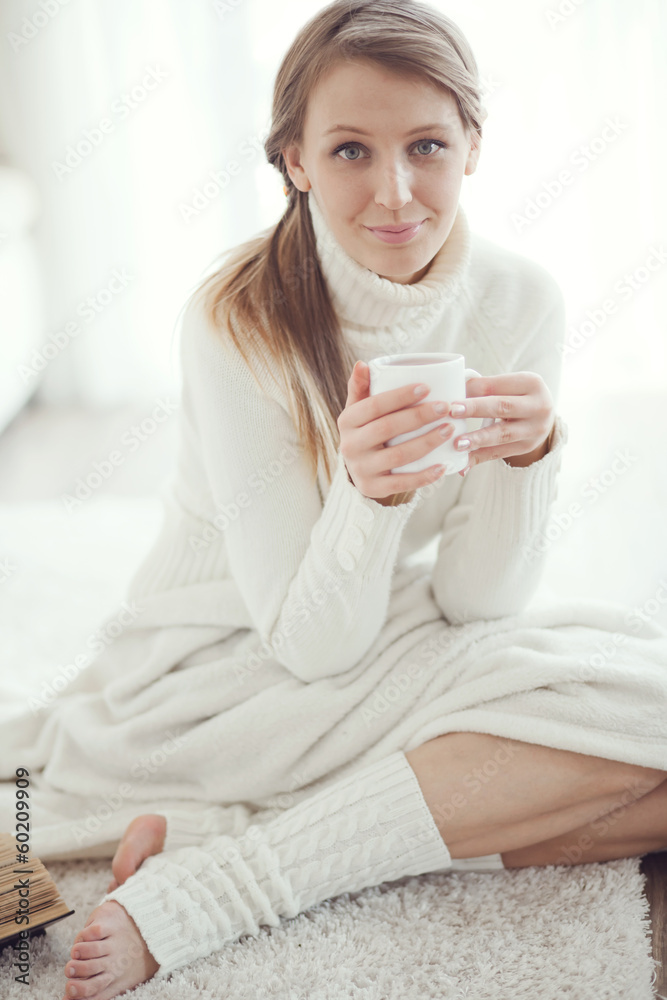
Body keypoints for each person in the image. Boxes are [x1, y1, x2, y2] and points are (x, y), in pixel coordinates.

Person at [0, 2, 662, 998]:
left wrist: (526, 463)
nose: (394, 193)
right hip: (223, 660)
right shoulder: (237, 321)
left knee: (635, 718)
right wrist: (372, 491)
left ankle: (222, 843)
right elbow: (310, 644)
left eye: (427, 145)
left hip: (386, 622)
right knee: (631, 727)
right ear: (295, 161)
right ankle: (222, 890)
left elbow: (480, 602)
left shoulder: (521, 300)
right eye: (350, 149)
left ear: (472, 147)